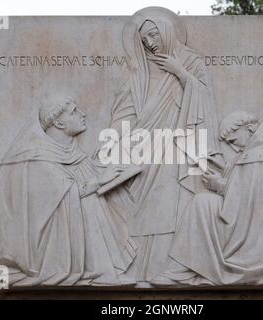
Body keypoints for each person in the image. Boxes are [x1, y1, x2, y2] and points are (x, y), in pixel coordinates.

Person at [97, 7, 221, 285]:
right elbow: (124, 113)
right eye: (145, 40)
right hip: (142, 150)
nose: (151, 43)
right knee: (140, 212)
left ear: (166, 31)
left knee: (169, 210)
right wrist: (112, 142)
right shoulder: (138, 72)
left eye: (153, 34)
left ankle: (171, 270)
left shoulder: (191, 62)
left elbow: (206, 104)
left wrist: (181, 74)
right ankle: (140, 270)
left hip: (177, 149)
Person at [154, 111, 263, 286]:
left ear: (249, 128)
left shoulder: (257, 154)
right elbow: (254, 189)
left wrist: (218, 185)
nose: (234, 148)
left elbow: (244, 201)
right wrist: (223, 167)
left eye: (233, 141)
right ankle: (181, 270)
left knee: (202, 203)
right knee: (205, 203)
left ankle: (181, 271)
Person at [0, 96, 137, 287]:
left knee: (96, 197)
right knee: (86, 200)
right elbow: (60, 193)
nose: (83, 114)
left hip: (60, 227)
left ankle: (105, 269)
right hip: (36, 242)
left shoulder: (70, 151)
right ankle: (100, 271)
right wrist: (98, 181)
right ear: (58, 122)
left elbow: (83, 175)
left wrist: (115, 171)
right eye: (74, 111)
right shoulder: (36, 155)